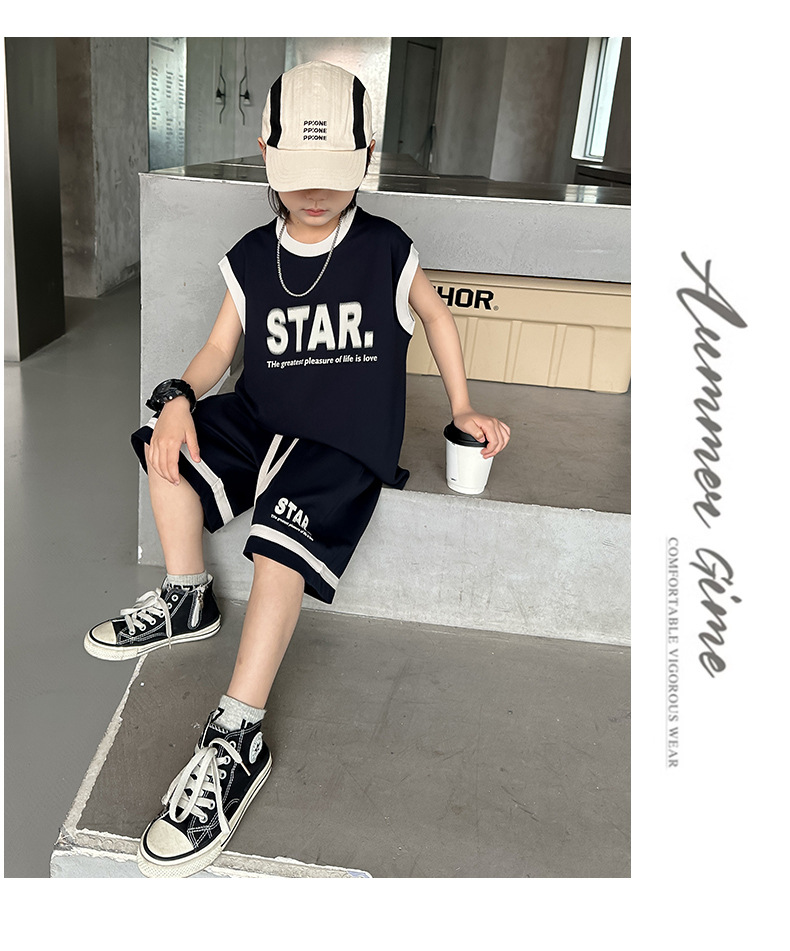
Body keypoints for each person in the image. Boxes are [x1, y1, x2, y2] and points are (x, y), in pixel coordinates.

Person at [83, 60, 511, 878]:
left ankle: (237, 733)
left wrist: (461, 408)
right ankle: (187, 595)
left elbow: (435, 317)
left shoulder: (385, 250)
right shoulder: (251, 257)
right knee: (166, 449)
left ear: (366, 158)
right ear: (266, 154)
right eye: (297, 172)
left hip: (341, 443)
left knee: (277, 544)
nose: (314, 193)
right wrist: (176, 397)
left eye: (334, 173)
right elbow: (218, 348)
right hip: (263, 417)